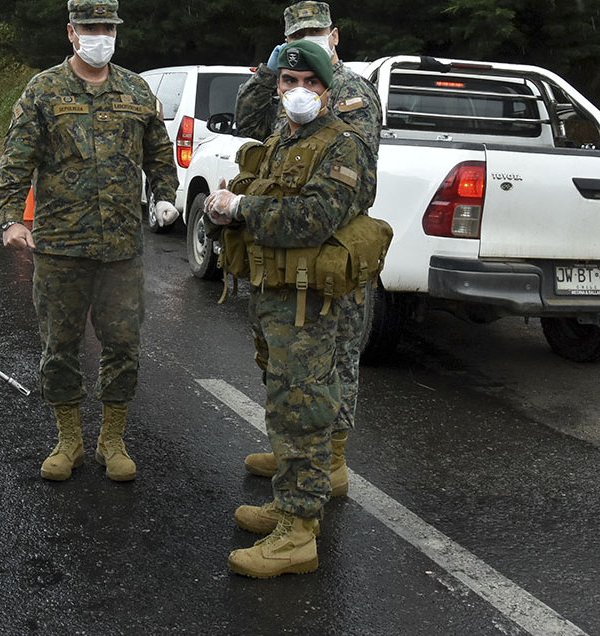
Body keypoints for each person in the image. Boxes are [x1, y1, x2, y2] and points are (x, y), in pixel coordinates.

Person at [206, 40, 384, 578]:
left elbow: (314, 217)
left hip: (310, 305)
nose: (299, 91)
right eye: (289, 82)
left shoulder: (343, 145)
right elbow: (266, 193)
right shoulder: (284, 138)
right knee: (284, 401)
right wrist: (226, 202)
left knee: (303, 408)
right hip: (277, 296)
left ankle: (299, 533)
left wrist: (243, 208)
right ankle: (289, 506)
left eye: (311, 83)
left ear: (328, 89)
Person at [0, 0, 179, 483]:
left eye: (107, 28)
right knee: (60, 345)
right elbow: (16, 161)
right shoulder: (43, 90)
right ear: (71, 33)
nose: (100, 36)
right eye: (90, 27)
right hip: (60, 248)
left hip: (121, 250)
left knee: (123, 344)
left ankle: (112, 439)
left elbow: (159, 155)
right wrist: (11, 219)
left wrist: (164, 195)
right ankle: (68, 439)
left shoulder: (136, 90)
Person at [233, 0, 383, 502]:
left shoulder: (349, 91)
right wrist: (269, 72)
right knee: (287, 363)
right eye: (297, 35)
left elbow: (346, 179)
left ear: (334, 35)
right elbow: (249, 122)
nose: (308, 40)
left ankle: (329, 459)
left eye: (316, 32)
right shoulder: (290, 85)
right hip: (287, 243)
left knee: (332, 360)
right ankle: (293, 450)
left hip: (329, 244)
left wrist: (258, 208)